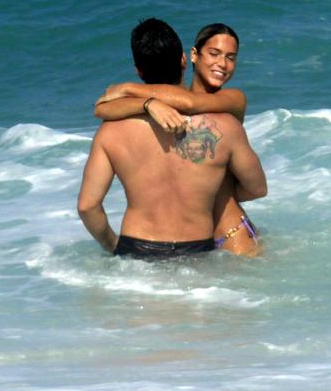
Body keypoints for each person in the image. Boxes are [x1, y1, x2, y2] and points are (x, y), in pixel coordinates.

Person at [77, 18, 267, 259]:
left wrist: (113, 246)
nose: (223, 63)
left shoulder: (109, 132)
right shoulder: (226, 125)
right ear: (186, 59)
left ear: (139, 71)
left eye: (231, 57)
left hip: (135, 250)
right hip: (199, 249)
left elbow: (87, 206)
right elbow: (257, 188)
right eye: (215, 53)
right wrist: (204, 192)